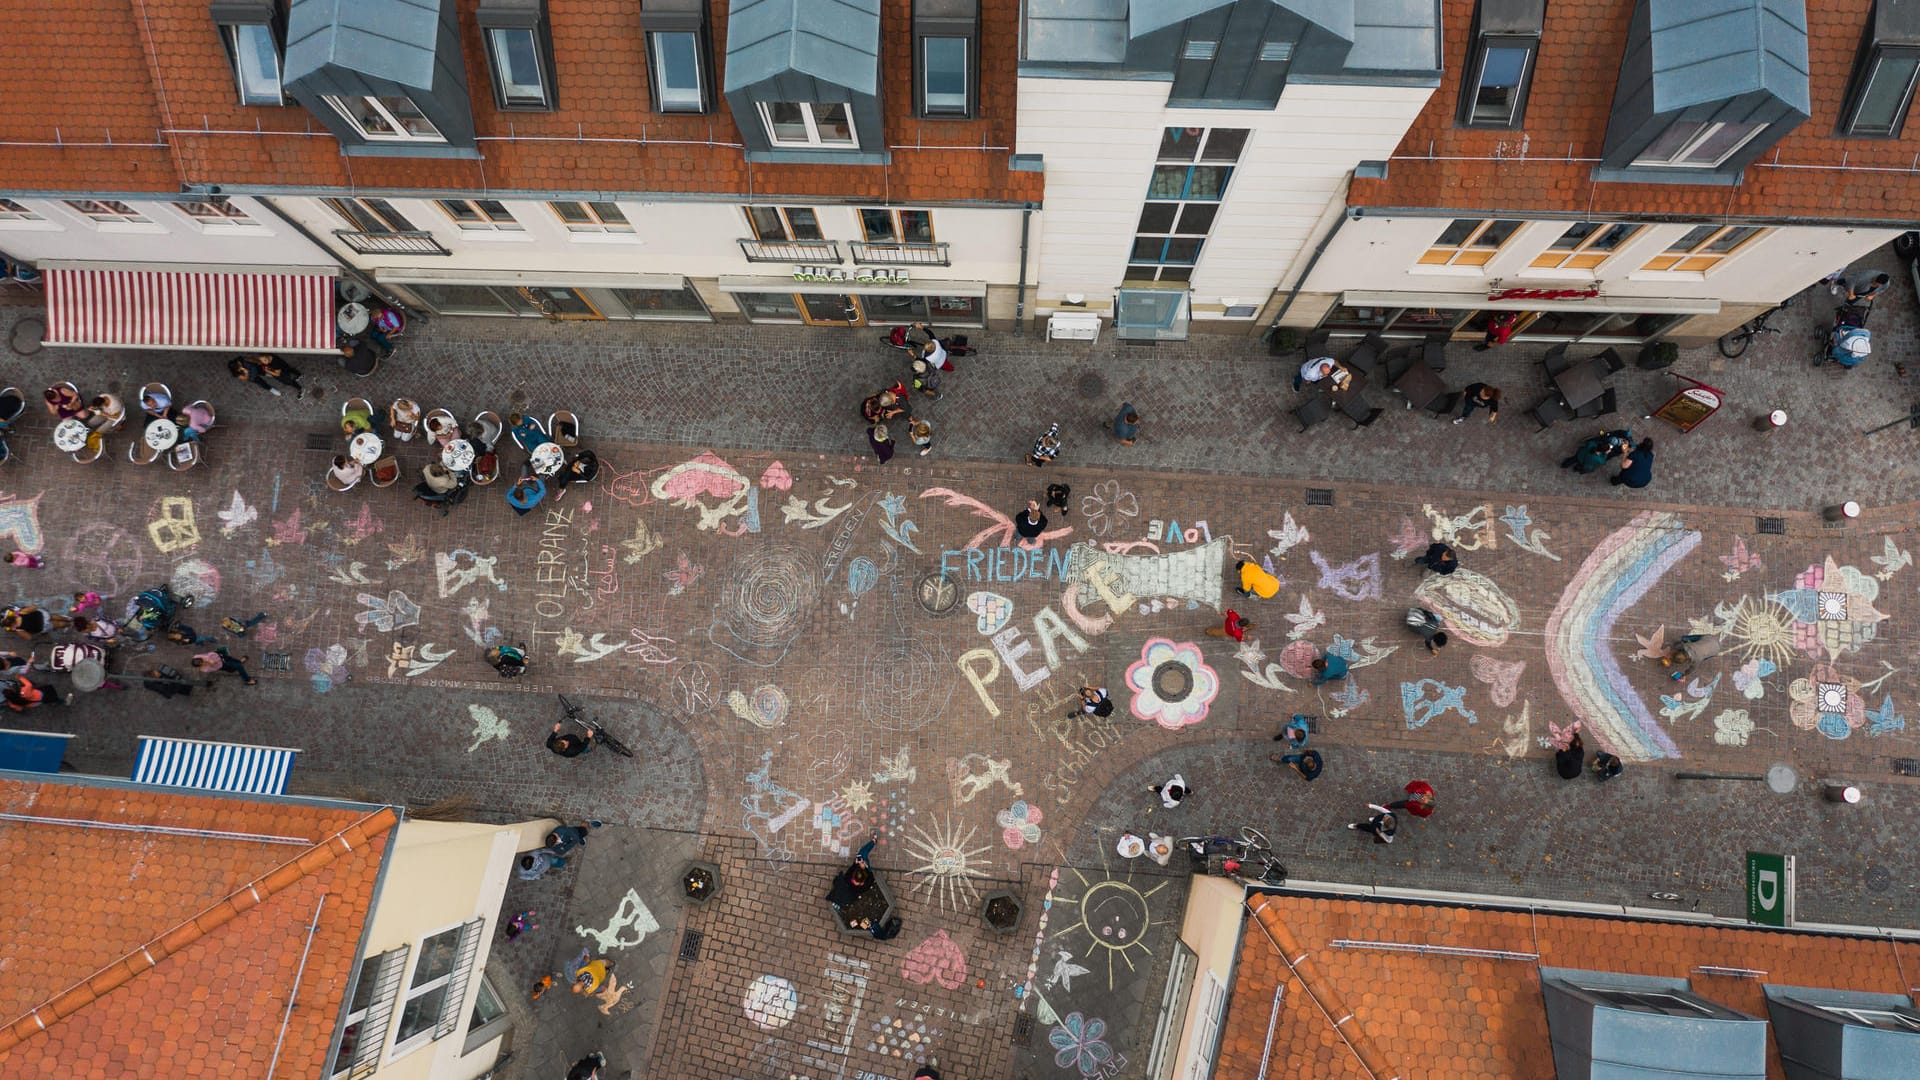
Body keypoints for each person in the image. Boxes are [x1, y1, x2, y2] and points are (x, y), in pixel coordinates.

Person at [827, 836, 879, 909]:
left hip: (862, 867)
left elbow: (852, 869)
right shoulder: (852, 880)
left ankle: (873, 841)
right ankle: (873, 841)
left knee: (862, 853)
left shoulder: (855, 883)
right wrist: (864, 867)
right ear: (862, 881)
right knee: (863, 853)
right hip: (866, 868)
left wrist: (857, 863)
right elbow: (871, 877)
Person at [1561, 429, 1632, 474]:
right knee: (1581, 467)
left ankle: (1564, 465)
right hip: (1585, 462)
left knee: (1572, 459)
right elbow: (1602, 461)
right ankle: (1576, 469)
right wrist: (1606, 454)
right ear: (1605, 451)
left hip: (1580, 454)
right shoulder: (1598, 458)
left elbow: (1590, 442)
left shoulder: (1592, 444)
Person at [192, 647, 257, 686]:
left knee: (232, 659)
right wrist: (210, 662)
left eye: (201, 659)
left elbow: (206, 655)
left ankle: (239, 662)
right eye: (202, 662)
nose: (203, 660)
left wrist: (207, 659)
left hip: (220, 656)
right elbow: (216, 668)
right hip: (222, 664)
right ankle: (247, 680)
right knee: (239, 667)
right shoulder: (205, 669)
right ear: (200, 665)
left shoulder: (196, 657)